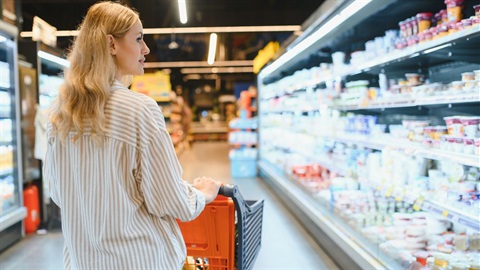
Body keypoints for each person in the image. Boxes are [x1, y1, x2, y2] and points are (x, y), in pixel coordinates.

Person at [43, 1, 221, 269]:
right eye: (138, 39)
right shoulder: (140, 109)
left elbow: (58, 192)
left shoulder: (60, 113)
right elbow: (170, 200)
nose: (146, 49)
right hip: (138, 260)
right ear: (111, 45)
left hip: (82, 261)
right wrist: (201, 194)